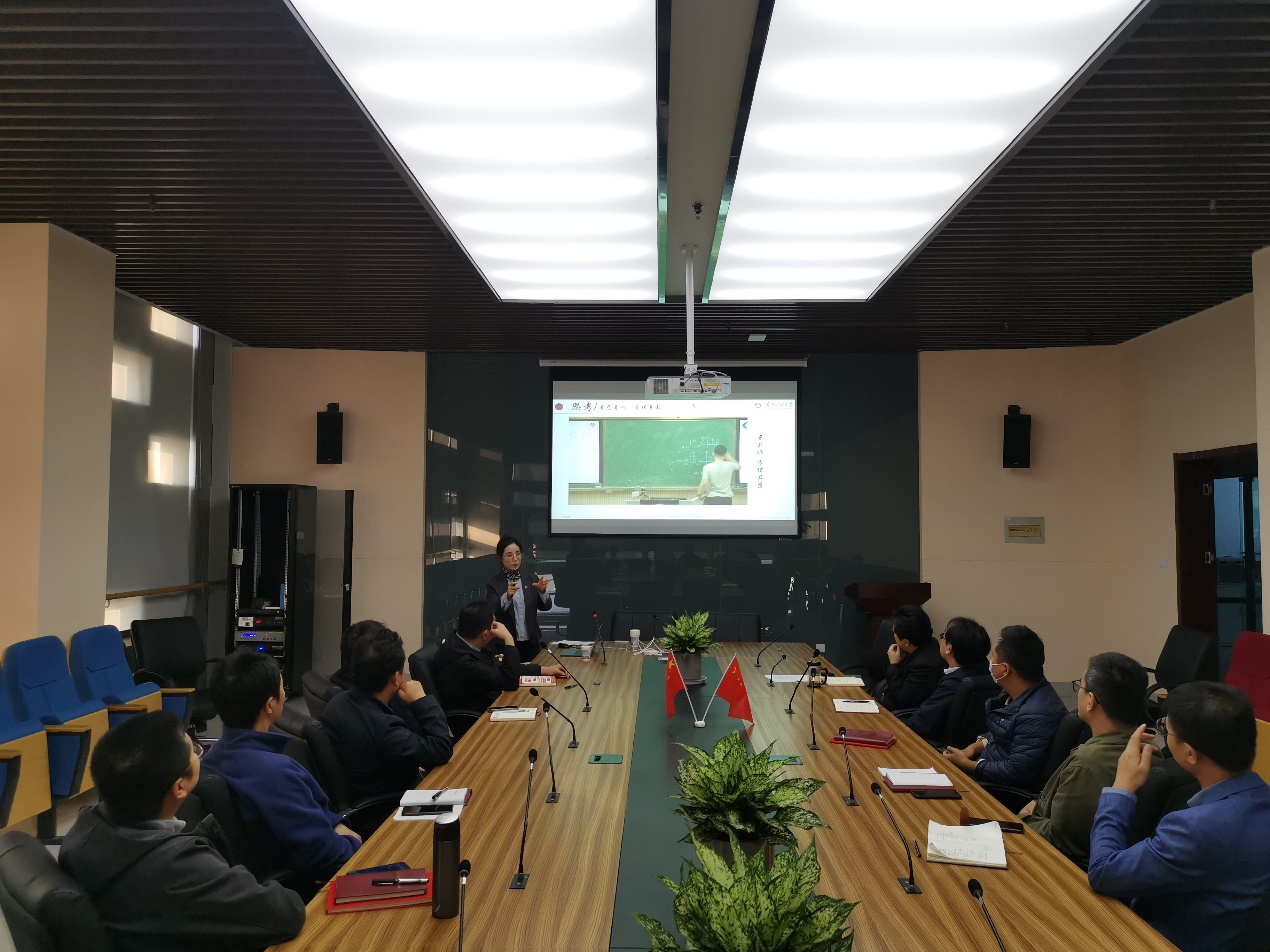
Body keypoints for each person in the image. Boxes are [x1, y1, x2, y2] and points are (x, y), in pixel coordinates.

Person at [59, 711, 305, 952]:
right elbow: (287, 913)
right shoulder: (180, 866)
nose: (199, 753)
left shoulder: (84, 831)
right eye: (195, 751)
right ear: (179, 787)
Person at [1087, 682, 1270, 952]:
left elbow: (1103, 872)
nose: (1163, 734)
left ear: (1190, 753)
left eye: (1166, 730)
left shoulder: (1195, 828)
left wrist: (1121, 787)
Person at [203, 649, 361, 885]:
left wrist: (335, 825)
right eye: (281, 688)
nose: (285, 694)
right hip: (308, 882)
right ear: (270, 706)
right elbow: (326, 853)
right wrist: (353, 842)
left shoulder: (213, 755)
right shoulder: (275, 773)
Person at [1020, 651, 1147, 866]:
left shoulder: (1087, 764)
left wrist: (1025, 817)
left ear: (1090, 701)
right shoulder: (1146, 747)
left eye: (1080, 685)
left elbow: (1060, 838)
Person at [320, 621, 453, 801]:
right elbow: (441, 748)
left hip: (367, 787)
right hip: (391, 805)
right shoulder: (385, 727)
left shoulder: (338, 700)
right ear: (396, 678)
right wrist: (422, 700)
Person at [943, 625, 1067, 790]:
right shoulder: (1017, 693)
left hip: (997, 790)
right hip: (985, 772)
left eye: (993, 658)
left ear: (1005, 669)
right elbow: (1001, 732)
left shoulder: (1037, 713)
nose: (990, 663)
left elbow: (1015, 772)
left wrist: (966, 764)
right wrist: (971, 750)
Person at [433, 602, 570, 716]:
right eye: (494, 625)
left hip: (491, 703)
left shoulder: (463, 642)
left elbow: (502, 668)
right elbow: (509, 681)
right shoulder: (464, 661)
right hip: (477, 720)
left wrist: (543, 670)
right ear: (485, 634)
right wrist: (509, 640)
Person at [904, 616, 992, 742]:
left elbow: (921, 724)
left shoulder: (953, 684)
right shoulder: (988, 672)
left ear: (949, 648)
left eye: (943, 636)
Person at [486, 536, 553, 657]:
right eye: (509, 555)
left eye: (518, 554)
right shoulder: (494, 583)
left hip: (531, 643)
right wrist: (507, 596)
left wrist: (542, 591)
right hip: (506, 644)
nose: (515, 559)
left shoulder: (531, 578)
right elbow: (493, 612)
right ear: (500, 558)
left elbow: (546, 607)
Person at [872, 604, 944, 712]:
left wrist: (894, 665)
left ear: (906, 642)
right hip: (883, 700)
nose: (893, 636)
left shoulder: (925, 665)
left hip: (897, 715)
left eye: (894, 633)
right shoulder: (920, 645)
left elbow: (900, 699)